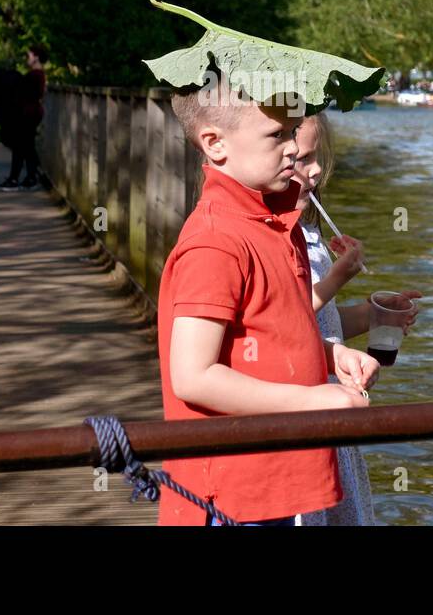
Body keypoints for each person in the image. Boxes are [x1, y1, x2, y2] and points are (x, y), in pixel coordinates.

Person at [156, 69, 379, 525]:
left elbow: (269, 334)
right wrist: (316, 400)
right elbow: (193, 376)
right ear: (215, 143)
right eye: (277, 134)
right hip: (229, 497)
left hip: (272, 483)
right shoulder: (216, 242)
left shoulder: (275, 224)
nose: (294, 148)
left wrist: (329, 356)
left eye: (295, 131)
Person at [290, 111, 421, 525]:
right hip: (300, 408)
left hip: (336, 403)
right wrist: (334, 278)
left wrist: (371, 315)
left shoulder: (309, 239)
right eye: (301, 158)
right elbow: (282, 321)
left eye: (317, 159)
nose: (313, 173)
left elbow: (323, 324)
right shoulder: (270, 244)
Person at [0, 44, 50, 190]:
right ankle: (29, 177)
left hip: (29, 114)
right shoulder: (37, 75)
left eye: (30, 55)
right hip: (31, 113)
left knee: (21, 146)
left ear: (36, 57)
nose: (28, 58)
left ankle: (18, 179)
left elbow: (26, 94)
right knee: (26, 146)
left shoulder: (36, 75)